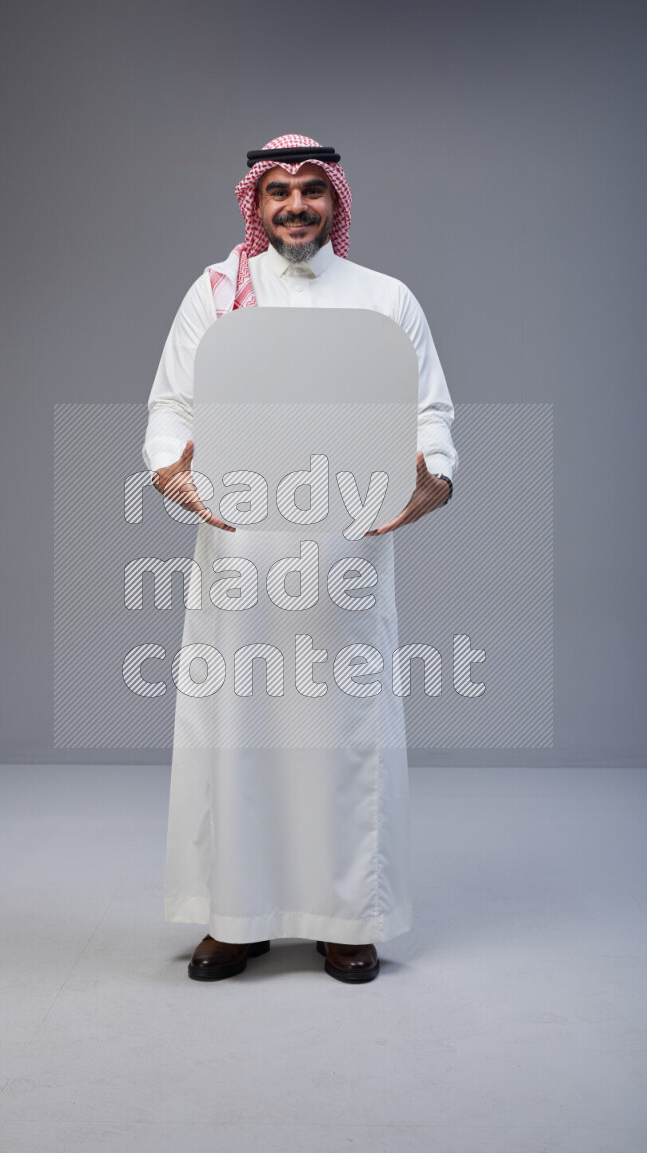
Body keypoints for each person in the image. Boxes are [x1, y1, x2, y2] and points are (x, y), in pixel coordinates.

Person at [142, 134, 457, 983]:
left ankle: (347, 917)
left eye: (311, 189)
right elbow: (172, 404)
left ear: (335, 200)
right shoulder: (216, 294)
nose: (294, 205)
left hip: (344, 553)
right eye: (278, 190)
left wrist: (436, 477)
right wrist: (173, 473)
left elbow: (429, 412)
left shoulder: (386, 299)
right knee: (237, 733)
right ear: (256, 201)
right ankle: (236, 919)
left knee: (344, 735)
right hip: (242, 553)